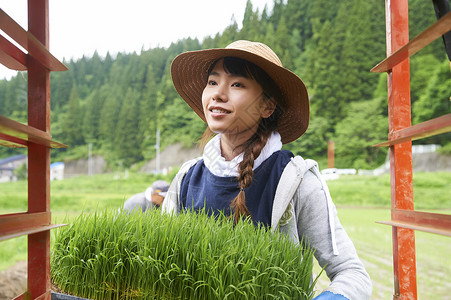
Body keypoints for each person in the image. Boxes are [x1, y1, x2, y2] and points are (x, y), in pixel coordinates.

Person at [162, 40, 372, 300]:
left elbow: (352, 273)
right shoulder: (186, 178)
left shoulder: (295, 179)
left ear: (267, 106)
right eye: (213, 82)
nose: (218, 93)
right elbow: (162, 265)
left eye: (237, 84)